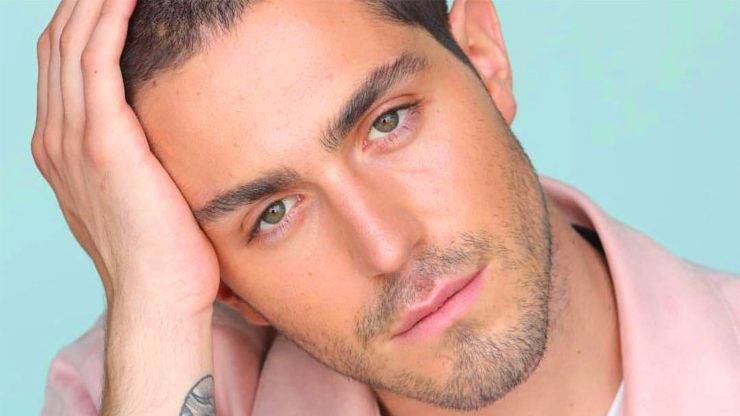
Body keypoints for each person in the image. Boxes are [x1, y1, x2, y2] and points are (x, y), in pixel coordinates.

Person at [33, 0, 738, 415]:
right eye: (274, 213)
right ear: (227, 287)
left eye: (388, 122)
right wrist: (155, 307)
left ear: (483, 58)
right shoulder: (123, 385)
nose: (386, 246)